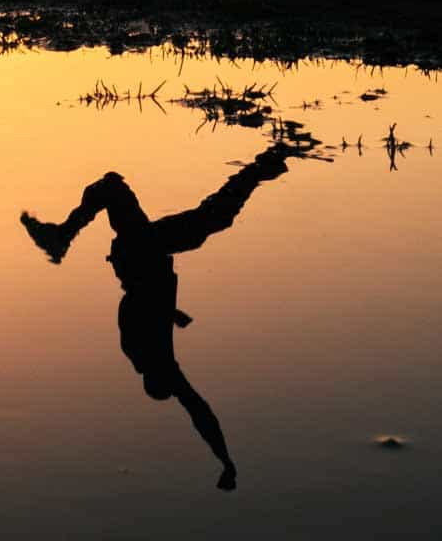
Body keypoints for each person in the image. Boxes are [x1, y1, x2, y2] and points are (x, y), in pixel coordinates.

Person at [19, 141, 298, 490]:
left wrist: (169, 312)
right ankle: (265, 165)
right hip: (143, 252)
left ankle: (62, 235)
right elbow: (199, 413)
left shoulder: (151, 355)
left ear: (156, 379)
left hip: (141, 252)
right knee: (202, 213)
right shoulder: (148, 355)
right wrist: (224, 459)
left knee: (123, 190)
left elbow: (198, 411)